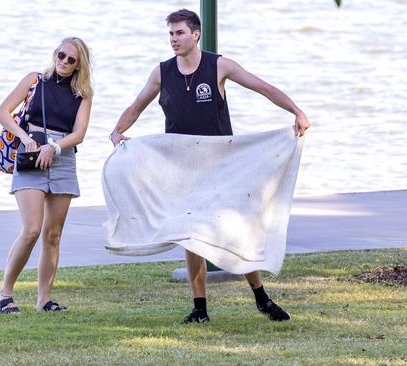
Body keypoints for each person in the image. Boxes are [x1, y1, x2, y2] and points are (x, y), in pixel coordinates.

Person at [109, 9, 310, 323]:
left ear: (196, 34)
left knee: (231, 233)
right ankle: (199, 308)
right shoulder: (161, 72)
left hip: (221, 168)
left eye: (180, 33)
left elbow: (264, 88)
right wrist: (118, 130)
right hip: (179, 169)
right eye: (171, 34)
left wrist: (296, 112)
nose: (174, 39)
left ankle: (261, 298)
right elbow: (136, 107)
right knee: (190, 235)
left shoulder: (220, 66)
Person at [0, 37, 93, 313]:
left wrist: (55, 147)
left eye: (71, 59)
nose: (64, 62)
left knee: (53, 235)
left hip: (62, 157)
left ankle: (44, 300)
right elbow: (2, 113)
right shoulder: (35, 80)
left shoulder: (83, 93)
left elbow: (79, 133)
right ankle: (4, 294)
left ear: (79, 65)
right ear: (55, 54)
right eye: (61, 55)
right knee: (32, 229)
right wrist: (25, 138)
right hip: (31, 152)